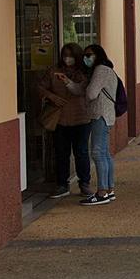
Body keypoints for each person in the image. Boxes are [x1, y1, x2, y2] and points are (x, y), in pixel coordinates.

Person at [60, 44, 120, 206]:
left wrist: (88, 90)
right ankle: (109, 190)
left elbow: (91, 93)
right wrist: (68, 82)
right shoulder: (103, 70)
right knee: (105, 154)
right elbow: (81, 89)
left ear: (98, 55)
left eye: (89, 55)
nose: (86, 58)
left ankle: (102, 192)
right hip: (104, 116)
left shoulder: (101, 70)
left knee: (98, 153)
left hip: (100, 115)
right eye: (85, 55)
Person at [39, 43, 92, 198]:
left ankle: (84, 183)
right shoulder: (53, 71)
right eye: (64, 55)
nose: (67, 59)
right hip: (60, 119)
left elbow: (81, 90)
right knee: (61, 153)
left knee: (81, 152)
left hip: (81, 118)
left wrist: (68, 82)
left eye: (70, 55)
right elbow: (40, 87)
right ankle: (62, 184)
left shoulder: (83, 72)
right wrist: (51, 96)